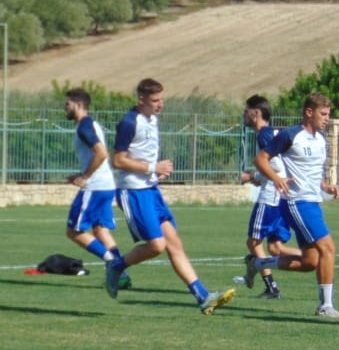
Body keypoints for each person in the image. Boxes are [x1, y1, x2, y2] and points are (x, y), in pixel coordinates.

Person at [104, 78, 235, 314]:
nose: (160, 104)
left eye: (162, 99)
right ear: (141, 99)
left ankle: (203, 297)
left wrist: (156, 172)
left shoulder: (153, 120)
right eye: (155, 100)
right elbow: (118, 160)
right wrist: (153, 167)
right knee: (156, 246)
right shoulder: (129, 122)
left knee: (174, 243)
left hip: (151, 189)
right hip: (133, 191)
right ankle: (116, 266)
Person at [250, 92, 339, 318]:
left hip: (313, 202)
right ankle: (326, 306)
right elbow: (260, 159)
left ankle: (260, 263)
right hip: (297, 202)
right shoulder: (290, 135)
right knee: (328, 248)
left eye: (328, 114)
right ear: (309, 112)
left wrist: (325, 185)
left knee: (310, 262)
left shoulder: (320, 139)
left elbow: (312, 170)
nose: (327, 119)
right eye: (323, 114)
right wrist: (276, 178)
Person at [62, 87, 130, 288]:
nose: (65, 107)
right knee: (100, 230)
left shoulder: (84, 126)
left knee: (74, 231)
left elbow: (101, 153)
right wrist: (80, 174)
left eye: (68, 104)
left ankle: (112, 262)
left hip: (95, 187)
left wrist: (85, 177)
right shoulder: (90, 124)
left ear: (79, 105)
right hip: (106, 185)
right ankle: (122, 276)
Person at [238, 95, 301, 299]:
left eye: (246, 111)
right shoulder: (275, 133)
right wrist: (260, 177)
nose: (244, 114)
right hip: (282, 198)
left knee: (253, 243)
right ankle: (312, 257)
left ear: (255, 113)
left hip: (270, 198)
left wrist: (253, 176)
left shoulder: (264, 135)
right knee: (275, 247)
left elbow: (276, 165)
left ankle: (271, 288)